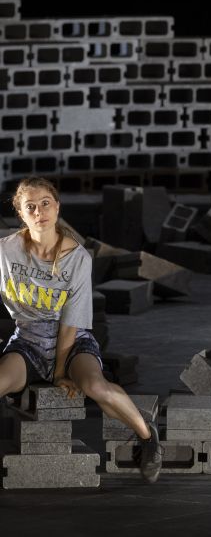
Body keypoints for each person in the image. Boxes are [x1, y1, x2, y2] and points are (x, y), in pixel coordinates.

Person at [0, 176, 162, 484]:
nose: (39, 212)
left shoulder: (76, 258)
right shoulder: (5, 251)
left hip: (72, 341)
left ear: (57, 207)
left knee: (95, 388)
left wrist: (60, 372)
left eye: (45, 204)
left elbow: (70, 323)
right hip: (28, 342)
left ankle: (147, 435)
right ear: (20, 213)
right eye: (30, 207)